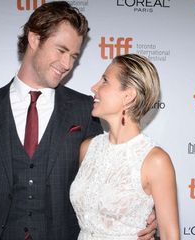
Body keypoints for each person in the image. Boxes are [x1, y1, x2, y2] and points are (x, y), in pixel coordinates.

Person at [0, 2, 157, 240]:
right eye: (61, 50)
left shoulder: (86, 109)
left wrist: (148, 212)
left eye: (74, 56)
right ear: (35, 39)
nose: (67, 64)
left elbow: (113, 171)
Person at [70, 54, 180, 240]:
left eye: (105, 81)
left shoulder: (155, 161)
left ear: (128, 96)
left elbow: (170, 235)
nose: (94, 87)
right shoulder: (88, 148)